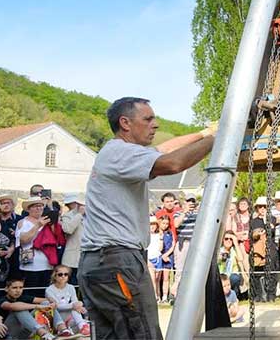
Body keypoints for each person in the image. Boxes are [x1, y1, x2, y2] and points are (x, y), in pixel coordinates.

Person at [78, 97, 216, 340]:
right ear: (125, 123)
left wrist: (206, 133)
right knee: (143, 334)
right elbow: (173, 163)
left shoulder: (120, 153)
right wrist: (221, 138)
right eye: (148, 119)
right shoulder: (121, 153)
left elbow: (166, 149)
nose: (156, 124)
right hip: (116, 261)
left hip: (101, 262)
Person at [0, 277, 68, 340]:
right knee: (19, 309)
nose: (18, 290)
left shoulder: (22, 297)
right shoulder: (1, 301)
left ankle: (63, 330)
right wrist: (36, 306)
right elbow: (12, 306)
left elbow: (45, 301)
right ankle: (44, 334)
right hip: (7, 335)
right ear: (6, 289)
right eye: (14, 288)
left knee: (46, 304)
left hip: (22, 334)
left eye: (20, 287)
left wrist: (52, 301)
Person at [45, 264, 90, 336]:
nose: (63, 276)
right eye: (60, 274)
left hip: (70, 317)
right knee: (75, 309)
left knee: (78, 309)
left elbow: (75, 301)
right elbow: (57, 306)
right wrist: (74, 305)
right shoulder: (49, 290)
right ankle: (81, 326)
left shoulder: (71, 287)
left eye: (66, 274)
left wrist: (79, 304)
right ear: (55, 276)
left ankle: (82, 326)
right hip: (58, 318)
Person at [171, 193, 198, 297]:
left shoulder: (198, 214)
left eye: (192, 201)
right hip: (183, 244)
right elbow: (176, 224)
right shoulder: (178, 214)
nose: (191, 203)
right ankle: (175, 293)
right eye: (188, 201)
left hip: (194, 244)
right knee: (180, 270)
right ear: (184, 203)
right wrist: (185, 212)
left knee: (193, 270)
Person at [59, 193, 83, 285]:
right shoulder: (67, 216)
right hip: (73, 258)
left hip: (85, 256)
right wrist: (79, 214)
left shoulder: (89, 216)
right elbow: (68, 229)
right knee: (72, 284)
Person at [218, 231, 249, 299]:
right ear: (223, 240)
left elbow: (241, 259)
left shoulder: (234, 250)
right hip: (221, 275)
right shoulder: (219, 250)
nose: (229, 240)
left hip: (232, 275)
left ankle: (234, 297)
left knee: (235, 278)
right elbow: (219, 259)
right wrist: (223, 256)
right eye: (226, 239)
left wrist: (236, 243)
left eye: (231, 239)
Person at [146, 216, 163, 302]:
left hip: (157, 257)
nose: (152, 226)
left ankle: (159, 296)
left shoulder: (158, 235)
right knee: (152, 278)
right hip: (149, 258)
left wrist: (161, 237)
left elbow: (160, 248)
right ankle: (154, 296)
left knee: (157, 279)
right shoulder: (146, 236)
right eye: (150, 224)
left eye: (154, 224)